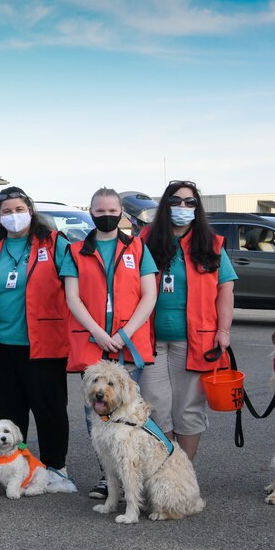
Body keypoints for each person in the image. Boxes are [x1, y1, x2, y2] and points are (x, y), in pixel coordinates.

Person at [0, 186, 76, 491]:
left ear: (30, 210)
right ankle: (16, 469)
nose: (13, 216)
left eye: (18, 210)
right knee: (9, 413)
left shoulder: (54, 243)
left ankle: (56, 470)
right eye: (6, 212)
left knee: (50, 411)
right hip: (3, 345)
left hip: (44, 343)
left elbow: (73, 288)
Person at [60, 187, 158, 500]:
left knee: (127, 411)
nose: (106, 216)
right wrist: (99, 333)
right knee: (97, 409)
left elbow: (149, 295)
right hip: (91, 341)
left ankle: (133, 474)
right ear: (90, 212)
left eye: (111, 211)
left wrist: (123, 333)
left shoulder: (138, 248)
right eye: (99, 211)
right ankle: (108, 477)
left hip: (129, 343)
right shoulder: (76, 251)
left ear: (121, 213)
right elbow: (72, 297)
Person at [140, 180, 237, 461]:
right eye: (176, 201)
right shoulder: (144, 240)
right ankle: (163, 474)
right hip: (151, 341)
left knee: (188, 410)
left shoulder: (211, 243)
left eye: (189, 202)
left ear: (197, 208)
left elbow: (225, 290)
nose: (182, 207)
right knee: (156, 409)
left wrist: (224, 330)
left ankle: (183, 475)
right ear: (165, 206)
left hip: (196, 341)